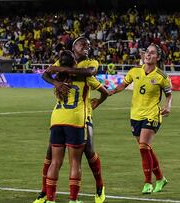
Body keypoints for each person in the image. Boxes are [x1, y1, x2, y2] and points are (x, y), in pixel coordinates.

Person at [34, 37, 108, 203]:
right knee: (51, 154)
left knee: (89, 152)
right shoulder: (65, 59)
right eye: (82, 44)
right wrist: (56, 83)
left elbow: (89, 72)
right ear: (73, 47)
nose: (87, 47)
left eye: (89, 45)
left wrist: (60, 69)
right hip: (69, 115)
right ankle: (44, 192)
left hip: (84, 113)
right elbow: (46, 75)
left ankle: (99, 187)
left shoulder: (91, 62)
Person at [110, 44, 172, 194]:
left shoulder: (162, 77)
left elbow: (169, 94)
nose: (148, 55)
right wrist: (108, 92)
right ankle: (161, 178)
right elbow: (122, 86)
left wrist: (168, 106)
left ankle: (147, 183)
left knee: (143, 147)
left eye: (151, 53)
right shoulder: (134, 72)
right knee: (146, 149)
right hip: (135, 115)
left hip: (152, 114)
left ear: (157, 57)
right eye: (146, 52)